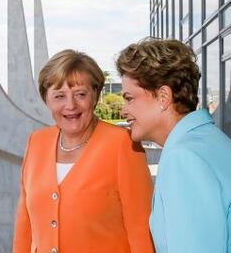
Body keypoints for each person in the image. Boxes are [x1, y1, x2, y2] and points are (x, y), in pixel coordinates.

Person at [13, 49, 154, 253]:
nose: (70, 105)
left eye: (80, 94)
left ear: (95, 96)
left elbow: (141, 231)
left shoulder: (123, 144)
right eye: (59, 96)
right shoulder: (36, 142)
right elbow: (24, 226)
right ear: (47, 100)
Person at [116, 38, 231, 253]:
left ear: (163, 97)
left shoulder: (183, 157)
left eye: (129, 98)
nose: (123, 111)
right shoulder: (211, 141)